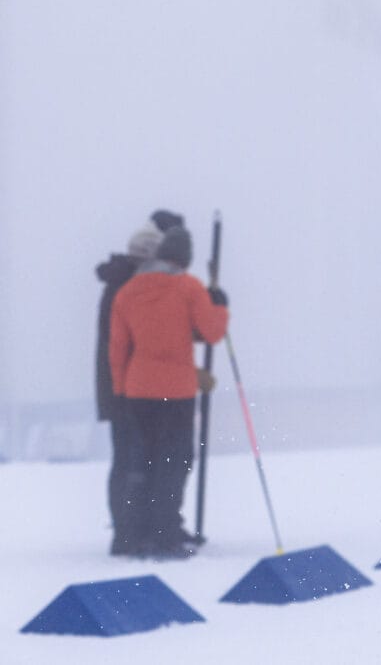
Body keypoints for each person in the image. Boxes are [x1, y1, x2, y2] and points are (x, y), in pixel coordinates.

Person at [108, 225, 229, 559]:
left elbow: (118, 348)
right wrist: (219, 305)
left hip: (137, 390)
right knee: (174, 463)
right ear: (184, 259)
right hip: (175, 391)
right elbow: (212, 331)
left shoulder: (128, 291)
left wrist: (120, 388)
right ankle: (166, 534)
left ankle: (136, 533)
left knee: (141, 462)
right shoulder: (189, 287)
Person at [95, 210, 184, 556]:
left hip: (126, 385)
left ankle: (136, 529)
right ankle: (130, 532)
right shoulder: (128, 285)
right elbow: (123, 342)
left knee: (135, 459)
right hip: (127, 388)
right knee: (131, 460)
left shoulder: (125, 280)